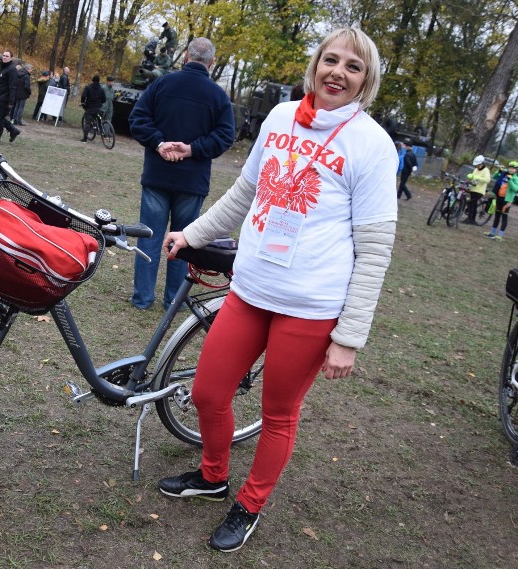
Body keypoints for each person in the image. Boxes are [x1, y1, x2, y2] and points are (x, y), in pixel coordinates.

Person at [157, 28, 397, 551]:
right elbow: (246, 192)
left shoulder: (373, 145)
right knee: (207, 392)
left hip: (311, 308)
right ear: (314, 66)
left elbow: (375, 248)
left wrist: (349, 336)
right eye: (330, 60)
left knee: (278, 414)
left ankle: (249, 504)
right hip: (251, 287)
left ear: (366, 80)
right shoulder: (281, 117)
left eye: (352, 67)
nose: (337, 72)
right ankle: (213, 475)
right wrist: (193, 233)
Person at [128, 37, 235, 311]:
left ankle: (142, 298)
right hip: (192, 181)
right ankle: (174, 300)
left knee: (149, 237)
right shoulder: (218, 96)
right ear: (211, 63)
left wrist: (159, 143)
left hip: (157, 176)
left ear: (186, 57)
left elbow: (137, 119)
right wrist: (192, 150)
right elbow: (225, 136)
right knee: (186, 243)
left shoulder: (161, 84)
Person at [0, 50, 21, 145]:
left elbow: (13, 86)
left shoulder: (12, 70)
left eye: (7, 56)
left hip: (5, 98)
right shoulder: (2, 68)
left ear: (11, 58)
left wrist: (11, 101)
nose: (4, 57)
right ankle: (12, 129)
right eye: (3, 55)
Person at [485, 160, 518, 240]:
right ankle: (492, 233)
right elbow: (494, 177)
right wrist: (498, 172)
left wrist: (510, 180)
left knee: (504, 217)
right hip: (499, 197)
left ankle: (500, 235)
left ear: (516, 170)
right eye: (510, 168)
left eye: (513, 168)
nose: (511, 169)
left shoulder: (516, 179)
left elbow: (515, 189)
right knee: (497, 215)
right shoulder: (504, 174)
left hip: (507, 200)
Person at [462, 155, 491, 224]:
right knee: (473, 205)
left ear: (482, 163)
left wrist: (477, 177)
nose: (477, 166)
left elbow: (487, 180)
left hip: (479, 191)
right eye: (476, 165)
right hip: (473, 189)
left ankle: (471, 220)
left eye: (478, 165)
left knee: (471, 203)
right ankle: (470, 219)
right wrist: (470, 178)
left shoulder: (486, 170)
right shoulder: (475, 169)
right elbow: (473, 178)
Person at [79, 75, 106, 143]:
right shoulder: (101, 89)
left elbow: (83, 96)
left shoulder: (88, 88)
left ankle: (85, 139)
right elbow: (104, 99)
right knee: (99, 119)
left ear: (92, 80)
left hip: (90, 108)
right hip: (98, 108)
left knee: (87, 122)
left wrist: (83, 102)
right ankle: (102, 132)